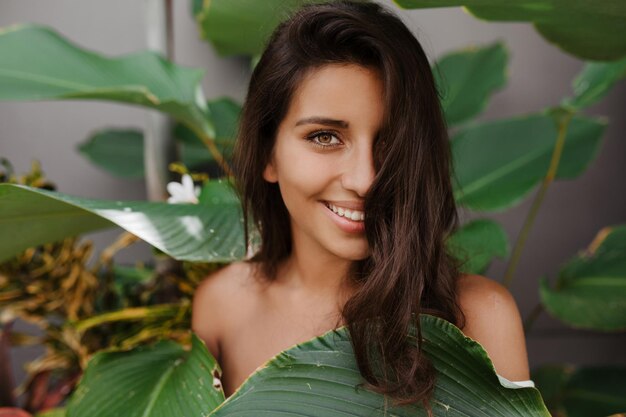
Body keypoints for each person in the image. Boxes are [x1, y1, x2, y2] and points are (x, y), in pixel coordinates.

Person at [191, 0, 531, 409]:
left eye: (391, 142)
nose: (366, 179)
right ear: (268, 154)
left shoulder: (479, 317)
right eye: (325, 137)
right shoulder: (221, 308)